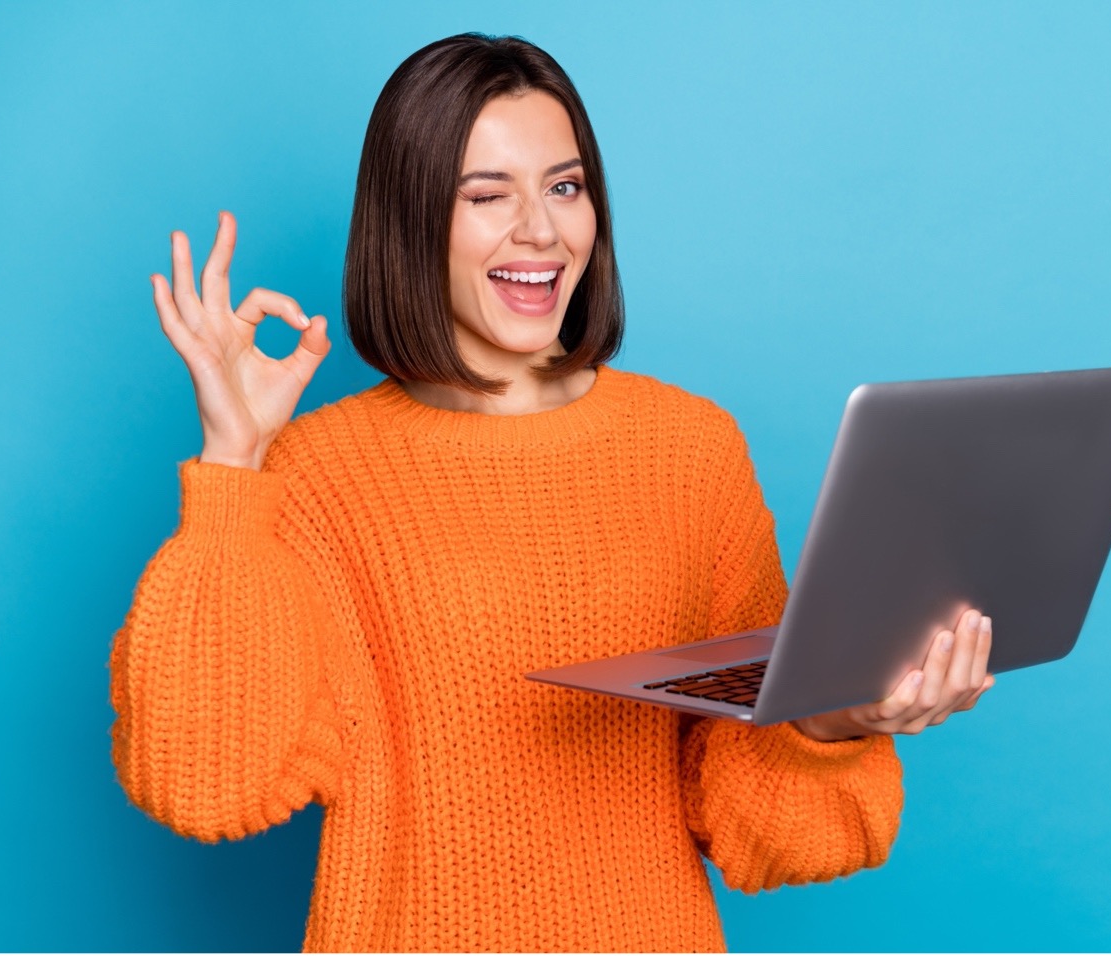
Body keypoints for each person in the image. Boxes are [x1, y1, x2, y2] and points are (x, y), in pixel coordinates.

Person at [109, 32, 995, 953]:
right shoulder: (312, 473)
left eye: (565, 187)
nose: (541, 229)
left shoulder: (691, 450)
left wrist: (832, 718)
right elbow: (202, 781)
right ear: (410, 220)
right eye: (487, 196)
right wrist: (232, 461)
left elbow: (763, 829)